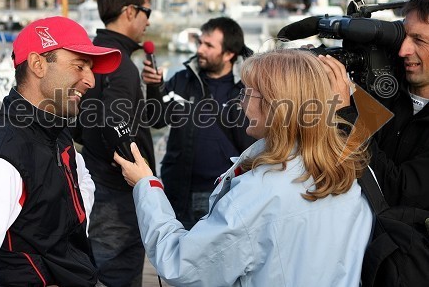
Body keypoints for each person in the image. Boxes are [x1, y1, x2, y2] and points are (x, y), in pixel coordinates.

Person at [115, 49, 373, 287]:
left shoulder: (260, 193)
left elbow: (181, 265)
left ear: (275, 105)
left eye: (247, 93)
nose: (240, 103)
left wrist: (146, 186)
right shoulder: (352, 171)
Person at [0, 16, 122, 286]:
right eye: (79, 66)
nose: (90, 80)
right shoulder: (1, 162)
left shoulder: (57, 133)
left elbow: (83, 187)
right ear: (37, 65)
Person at [74, 0, 155, 287]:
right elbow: (113, 122)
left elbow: (81, 125)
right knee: (119, 271)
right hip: (118, 193)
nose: (149, 20)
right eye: (148, 12)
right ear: (130, 11)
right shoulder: (120, 63)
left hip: (95, 179)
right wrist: (136, 169)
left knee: (100, 268)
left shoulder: (92, 55)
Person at [141, 17, 256, 229]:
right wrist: (154, 87)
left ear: (229, 54)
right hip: (178, 190)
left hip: (225, 192)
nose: (200, 49)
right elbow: (156, 120)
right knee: (176, 256)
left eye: (209, 45)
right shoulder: (181, 80)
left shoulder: (250, 88)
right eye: (200, 42)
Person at [319, 0, 429, 210]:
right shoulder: (385, 90)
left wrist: (345, 113)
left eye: (419, 40)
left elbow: (398, 190)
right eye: (402, 36)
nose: (403, 50)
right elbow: (333, 159)